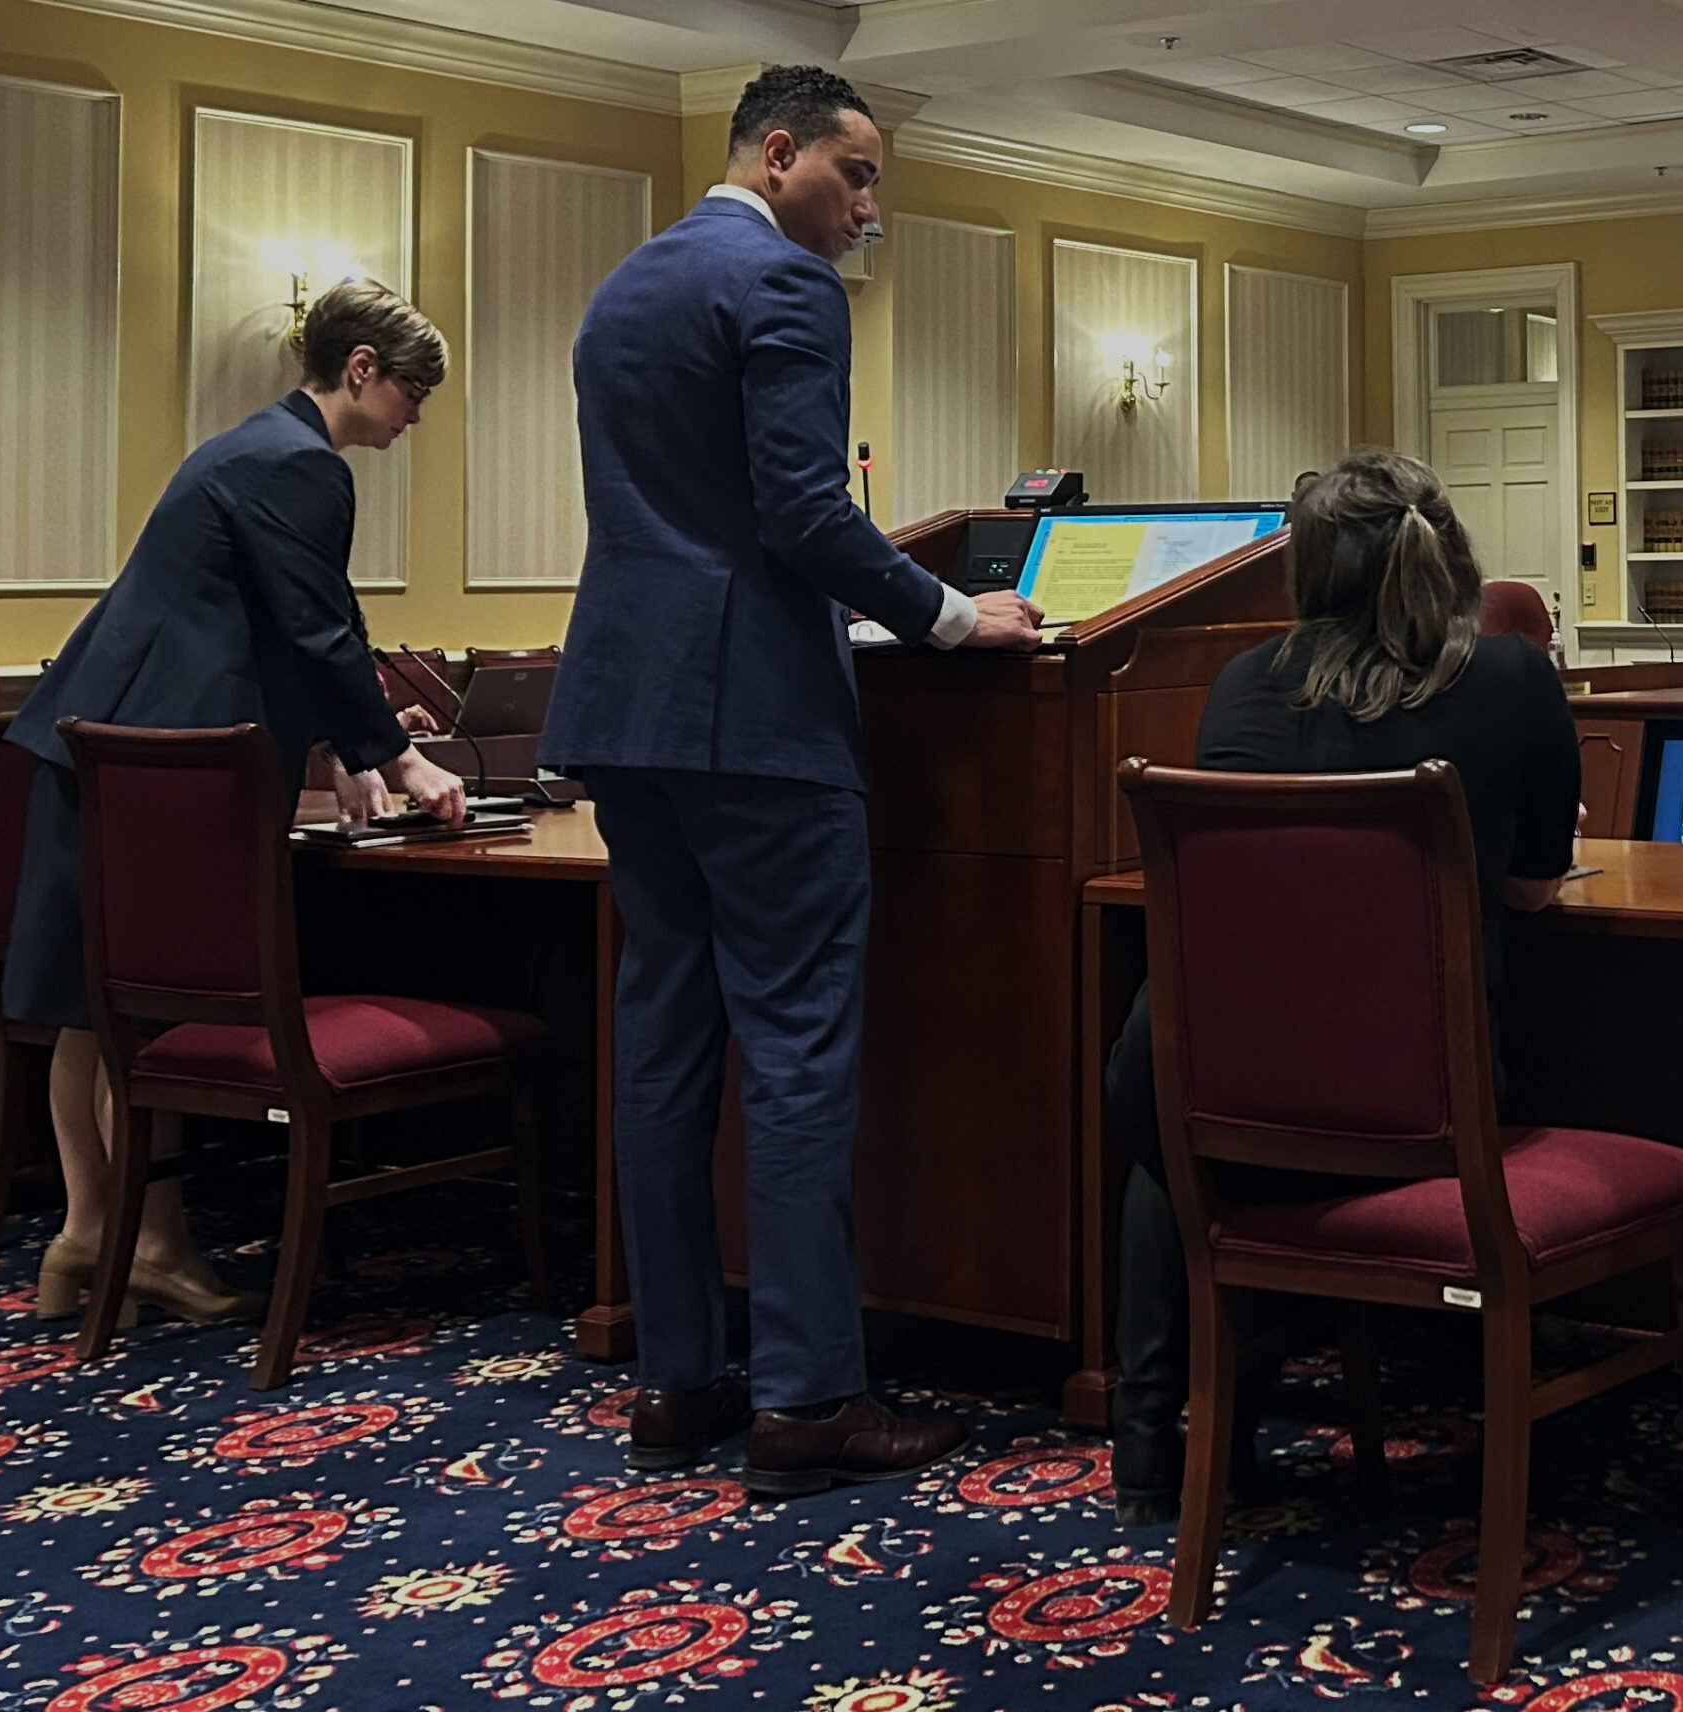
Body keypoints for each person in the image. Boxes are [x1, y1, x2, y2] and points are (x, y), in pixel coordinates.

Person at [539, 64, 1044, 1497]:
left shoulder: (626, 286)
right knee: (800, 1049)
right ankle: (813, 1401)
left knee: (663, 1050)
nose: (871, 211)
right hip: (755, 718)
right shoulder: (783, 286)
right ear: (778, 156)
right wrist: (951, 616)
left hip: (625, 709)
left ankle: (681, 1382)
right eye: (858, 176)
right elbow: (803, 513)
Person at [1105, 450, 1584, 1523]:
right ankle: (1496, 1368)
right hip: (1415, 1098)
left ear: (1304, 569)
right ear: (1450, 550)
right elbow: (1533, 889)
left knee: (1165, 1140)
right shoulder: (1510, 676)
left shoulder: (1240, 682)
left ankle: (1151, 1441)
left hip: (1201, 1084)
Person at [0, 278, 466, 1327]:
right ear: (360, 370)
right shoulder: (303, 464)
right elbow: (315, 626)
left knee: (97, 1006)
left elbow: (264, 617)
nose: (416, 415)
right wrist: (396, 760)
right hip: (158, 759)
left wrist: (335, 746)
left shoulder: (251, 447)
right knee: (147, 1008)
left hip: (96, 741)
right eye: (412, 391)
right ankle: (142, 1244)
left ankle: (88, 1237)